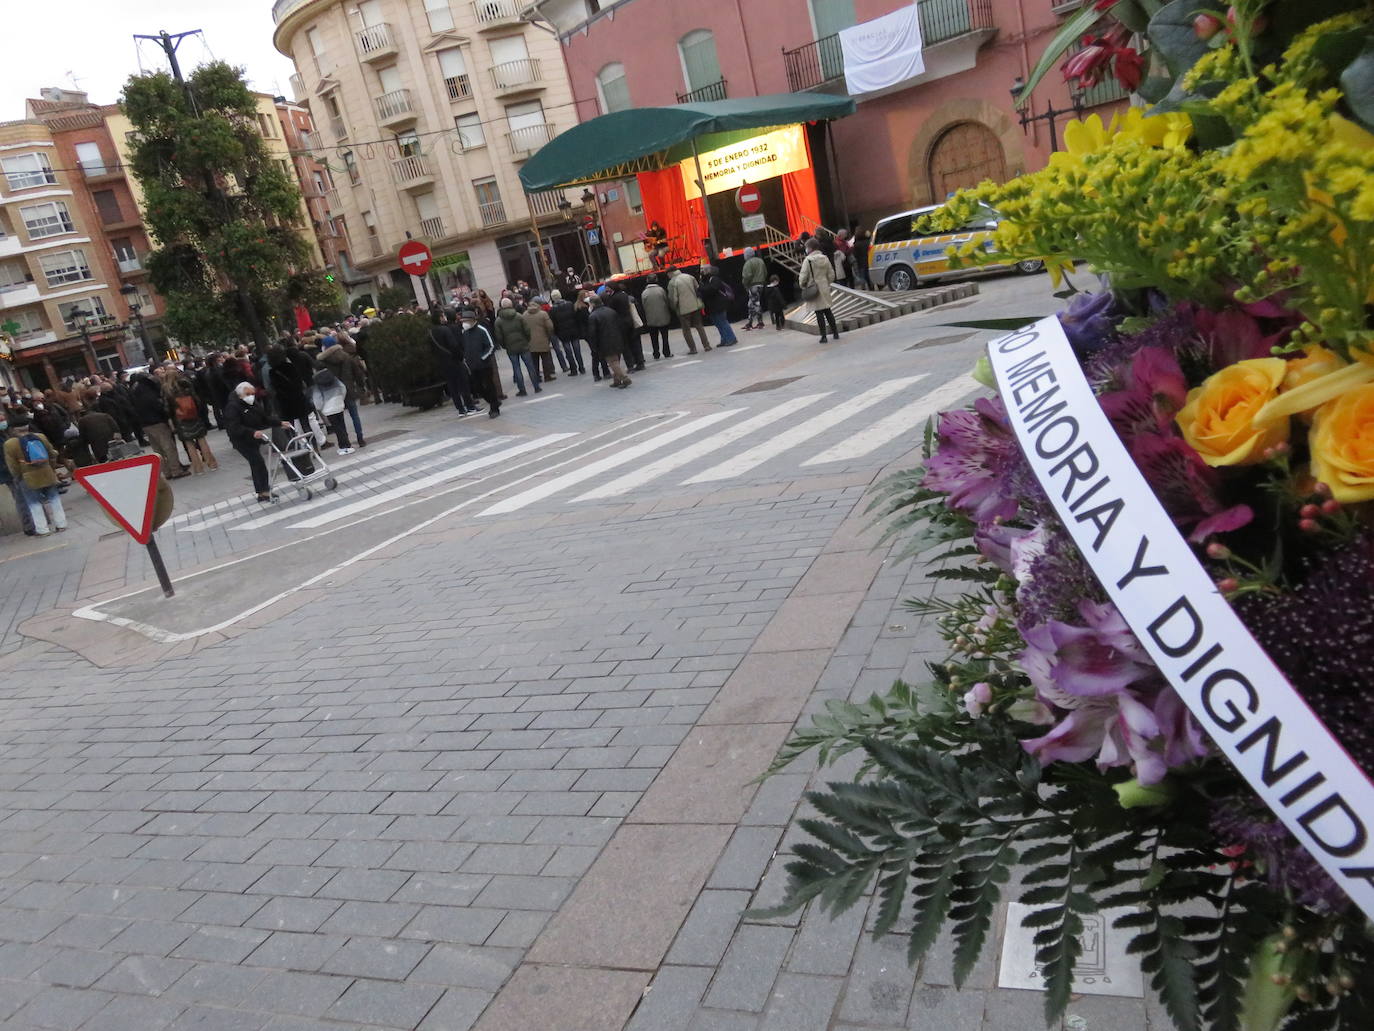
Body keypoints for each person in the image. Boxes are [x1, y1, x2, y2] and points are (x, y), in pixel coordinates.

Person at [223, 382, 290, 502]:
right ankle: (263, 491)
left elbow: (264, 418)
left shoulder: (254, 404)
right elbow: (234, 427)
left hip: (253, 438)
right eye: (248, 394)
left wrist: (279, 423)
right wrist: (252, 432)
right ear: (240, 395)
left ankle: (262, 492)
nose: (251, 396)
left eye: (253, 394)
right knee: (257, 462)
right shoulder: (232, 407)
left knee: (256, 463)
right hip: (241, 440)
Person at [3, 413, 66, 536]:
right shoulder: (40, 437)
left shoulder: (10, 444)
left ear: (13, 429)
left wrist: (18, 476)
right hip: (46, 472)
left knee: (34, 503)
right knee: (54, 499)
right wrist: (51, 468)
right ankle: (61, 524)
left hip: (27, 477)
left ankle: (43, 530)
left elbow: (12, 465)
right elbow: (52, 454)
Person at [130, 371, 188, 478]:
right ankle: (176, 470)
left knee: (158, 450)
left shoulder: (135, 392)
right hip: (157, 422)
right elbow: (158, 406)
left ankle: (167, 472)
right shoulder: (149, 392)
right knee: (168, 447)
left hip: (145, 424)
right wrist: (166, 414)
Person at [164, 373, 218, 474]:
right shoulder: (187, 386)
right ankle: (212, 464)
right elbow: (197, 400)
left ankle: (198, 469)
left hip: (180, 419)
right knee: (202, 441)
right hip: (193, 416)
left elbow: (167, 409)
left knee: (189, 445)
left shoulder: (168, 391)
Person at [321, 336, 373, 439]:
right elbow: (357, 374)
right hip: (348, 389)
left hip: (333, 392)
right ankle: (360, 437)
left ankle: (346, 440)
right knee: (354, 415)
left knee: (339, 418)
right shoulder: (346, 356)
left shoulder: (323, 361)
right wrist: (360, 387)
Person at [430, 309, 478, 417]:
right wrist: (460, 357)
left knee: (452, 386)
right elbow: (454, 346)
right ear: (440, 318)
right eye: (442, 316)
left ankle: (460, 409)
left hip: (443, 363)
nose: (444, 318)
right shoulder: (445, 330)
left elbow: (431, 350)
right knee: (463, 384)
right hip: (454, 360)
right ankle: (469, 406)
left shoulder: (431, 332)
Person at [457, 306, 501, 419]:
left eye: (466, 321)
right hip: (472, 366)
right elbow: (463, 347)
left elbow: (491, 346)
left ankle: (494, 408)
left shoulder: (482, 330)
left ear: (472, 320)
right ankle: (493, 401)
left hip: (484, 365)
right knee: (478, 388)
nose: (464, 323)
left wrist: (483, 358)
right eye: (463, 321)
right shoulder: (464, 333)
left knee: (489, 386)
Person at [493, 298, 540, 396]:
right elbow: (527, 330)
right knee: (530, 366)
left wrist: (504, 345)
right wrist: (527, 340)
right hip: (523, 344)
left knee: (516, 368)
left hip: (511, 347)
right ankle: (536, 386)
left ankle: (522, 390)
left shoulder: (498, 321)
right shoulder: (519, 316)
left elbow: (499, 337)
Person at [0, 415, 37, 536]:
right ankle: (29, 525)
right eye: (1, 420)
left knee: (26, 497)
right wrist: (11, 470)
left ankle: (35, 522)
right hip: (9, 473)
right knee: (22, 499)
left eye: (3, 419)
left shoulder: (5, 433)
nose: (3, 422)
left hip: (15, 470)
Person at [799, 237, 840, 342]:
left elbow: (803, 276)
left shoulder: (808, 261)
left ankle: (824, 336)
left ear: (810, 248)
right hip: (824, 287)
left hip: (813, 288)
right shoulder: (824, 258)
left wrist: (803, 285)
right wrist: (827, 282)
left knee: (819, 313)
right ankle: (835, 333)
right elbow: (831, 274)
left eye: (807, 247)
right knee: (828, 311)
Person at [587, 295, 631, 389]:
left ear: (593, 304)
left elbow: (592, 333)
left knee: (613, 362)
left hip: (605, 342)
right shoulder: (611, 311)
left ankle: (624, 378)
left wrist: (594, 346)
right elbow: (619, 325)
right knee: (616, 360)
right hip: (617, 338)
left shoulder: (593, 316)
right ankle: (617, 380)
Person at [310, 364, 353, 454]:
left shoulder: (317, 382)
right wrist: (341, 398)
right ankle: (347, 444)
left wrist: (320, 407)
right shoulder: (333, 377)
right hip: (338, 404)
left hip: (328, 408)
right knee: (342, 425)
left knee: (337, 428)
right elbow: (343, 388)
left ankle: (343, 446)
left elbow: (317, 397)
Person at [668, 268, 710, 355]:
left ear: (670, 273)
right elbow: (697, 289)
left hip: (683, 310)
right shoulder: (689, 276)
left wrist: (674, 308)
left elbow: (674, 298)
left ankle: (693, 349)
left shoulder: (672, 282)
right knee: (699, 326)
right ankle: (706, 345)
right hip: (695, 306)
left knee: (686, 330)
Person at [75, 390, 121, 464]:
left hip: (98, 449)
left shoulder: (82, 421)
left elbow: (83, 438)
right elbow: (116, 429)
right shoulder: (105, 415)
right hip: (112, 445)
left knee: (105, 465)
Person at [700, 266, 738, 347]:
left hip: (718, 305)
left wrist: (702, 289)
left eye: (703, 269)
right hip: (712, 307)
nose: (701, 271)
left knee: (723, 322)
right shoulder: (705, 280)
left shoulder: (714, 279)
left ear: (708, 271)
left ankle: (731, 338)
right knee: (718, 324)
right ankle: (724, 339)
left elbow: (713, 289)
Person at [549, 290, 585, 376]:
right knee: (577, 351)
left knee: (568, 352)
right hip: (574, 331)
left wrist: (557, 333)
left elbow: (553, 323)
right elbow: (575, 317)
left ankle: (573, 369)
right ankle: (581, 367)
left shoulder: (553, 310)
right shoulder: (569, 304)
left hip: (563, 333)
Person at [522, 300, 558, 382]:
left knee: (534, 360)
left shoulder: (524, 315)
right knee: (545, 358)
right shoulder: (543, 314)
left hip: (530, 341)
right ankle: (547, 376)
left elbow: (522, 328)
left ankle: (537, 377)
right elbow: (550, 327)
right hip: (543, 339)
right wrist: (548, 335)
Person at [638, 275, 673, 359]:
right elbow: (667, 301)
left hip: (650, 319)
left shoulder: (644, 293)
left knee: (653, 338)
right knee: (665, 336)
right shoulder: (661, 290)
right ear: (656, 280)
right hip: (663, 317)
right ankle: (666, 352)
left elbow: (643, 305)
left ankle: (656, 353)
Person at [741, 247, 768, 331]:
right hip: (761, 284)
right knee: (751, 304)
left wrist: (745, 284)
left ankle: (759, 322)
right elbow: (765, 272)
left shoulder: (748, 263)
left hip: (753, 285)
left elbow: (747, 276)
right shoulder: (760, 261)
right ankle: (750, 323)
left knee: (755, 304)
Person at [852, 226, 872, 291]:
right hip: (868, 260)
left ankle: (863, 289)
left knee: (862, 276)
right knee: (868, 275)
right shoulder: (867, 241)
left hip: (860, 262)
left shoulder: (856, 244)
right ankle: (871, 287)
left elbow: (855, 254)